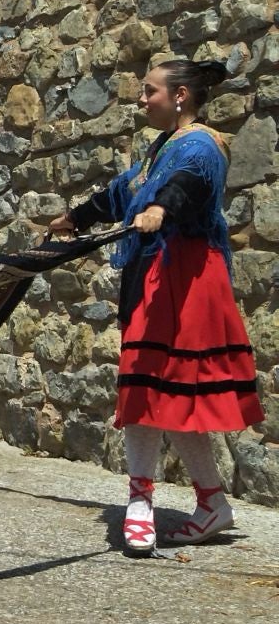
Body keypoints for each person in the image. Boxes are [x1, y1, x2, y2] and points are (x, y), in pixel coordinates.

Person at [48, 58, 263, 556]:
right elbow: (123, 191)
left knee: (149, 389)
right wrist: (74, 219)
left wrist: (160, 209)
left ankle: (141, 502)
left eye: (150, 91)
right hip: (159, 277)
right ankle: (210, 502)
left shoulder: (201, 145)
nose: (142, 100)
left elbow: (186, 186)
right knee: (161, 395)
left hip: (184, 280)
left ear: (181, 95)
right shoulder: (161, 148)